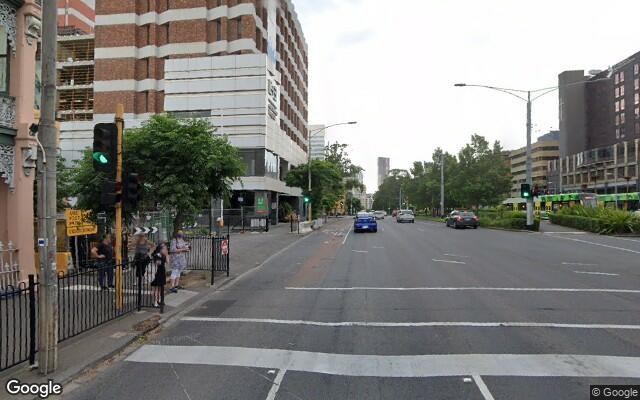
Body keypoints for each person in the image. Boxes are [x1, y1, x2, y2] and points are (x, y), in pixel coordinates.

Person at [150, 242, 168, 308]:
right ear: (160, 249)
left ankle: (159, 300)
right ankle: (155, 302)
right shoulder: (156, 255)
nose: (166, 250)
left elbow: (168, 262)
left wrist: (166, 255)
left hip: (162, 272)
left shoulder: (163, 255)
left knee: (161, 288)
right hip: (157, 273)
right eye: (164, 249)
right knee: (156, 288)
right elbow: (158, 263)